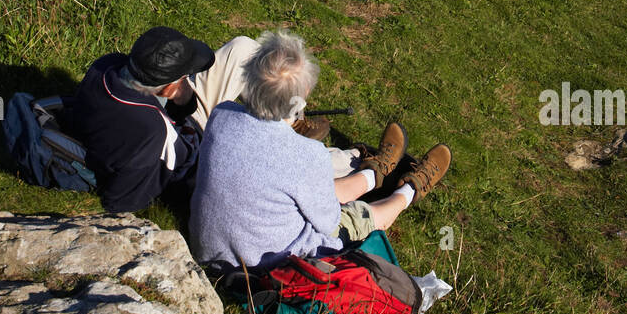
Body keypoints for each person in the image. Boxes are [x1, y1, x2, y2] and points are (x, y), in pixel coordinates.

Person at [189, 30, 452, 269]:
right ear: (299, 100)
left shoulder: (221, 115)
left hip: (210, 253)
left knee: (311, 190)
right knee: (356, 218)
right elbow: (328, 222)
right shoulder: (306, 154)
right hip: (269, 268)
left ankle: (375, 173)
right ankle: (410, 190)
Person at [69, 27, 359, 213]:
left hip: (178, 117)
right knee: (305, 161)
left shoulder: (106, 66)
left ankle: (288, 119)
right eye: (186, 76)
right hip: (201, 152)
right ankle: (363, 163)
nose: (191, 77)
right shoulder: (151, 133)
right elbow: (123, 202)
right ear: (169, 87)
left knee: (243, 49)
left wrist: (182, 99)